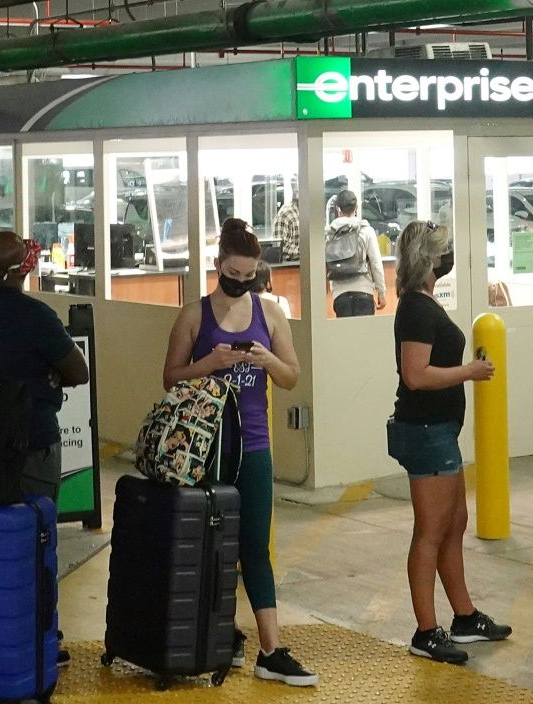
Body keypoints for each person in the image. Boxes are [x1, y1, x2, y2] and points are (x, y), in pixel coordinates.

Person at [162, 217, 317, 687]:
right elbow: (170, 376)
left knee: (254, 547)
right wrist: (209, 364)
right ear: (217, 265)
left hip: (253, 445)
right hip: (205, 448)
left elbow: (291, 376)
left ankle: (270, 648)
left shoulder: (270, 314)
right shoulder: (194, 315)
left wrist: (266, 360)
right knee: (211, 545)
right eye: (233, 273)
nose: (241, 282)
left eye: (250, 276)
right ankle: (217, 632)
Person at [0, 230, 89, 668]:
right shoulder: (35, 315)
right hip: (32, 440)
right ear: (17, 271)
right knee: (38, 539)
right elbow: (78, 370)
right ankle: (39, 637)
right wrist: (50, 373)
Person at [386, 220, 510, 665]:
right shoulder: (416, 308)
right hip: (425, 432)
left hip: (439, 431)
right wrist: (469, 373)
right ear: (430, 258)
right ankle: (425, 630)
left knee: (454, 522)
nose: (449, 256)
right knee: (431, 532)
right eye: (445, 251)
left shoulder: (423, 303)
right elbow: (415, 376)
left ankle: (464, 616)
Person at [328, 190, 386, 318]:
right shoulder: (366, 231)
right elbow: (376, 264)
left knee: (345, 337)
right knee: (364, 337)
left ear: (338, 209)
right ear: (356, 208)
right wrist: (381, 292)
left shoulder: (329, 233)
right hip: (364, 292)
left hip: (340, 295)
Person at [273, 190, 300, 262]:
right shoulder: (286, 214)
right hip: (290, 266)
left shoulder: (304, 212)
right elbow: (280, 247)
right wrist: (307, 251)